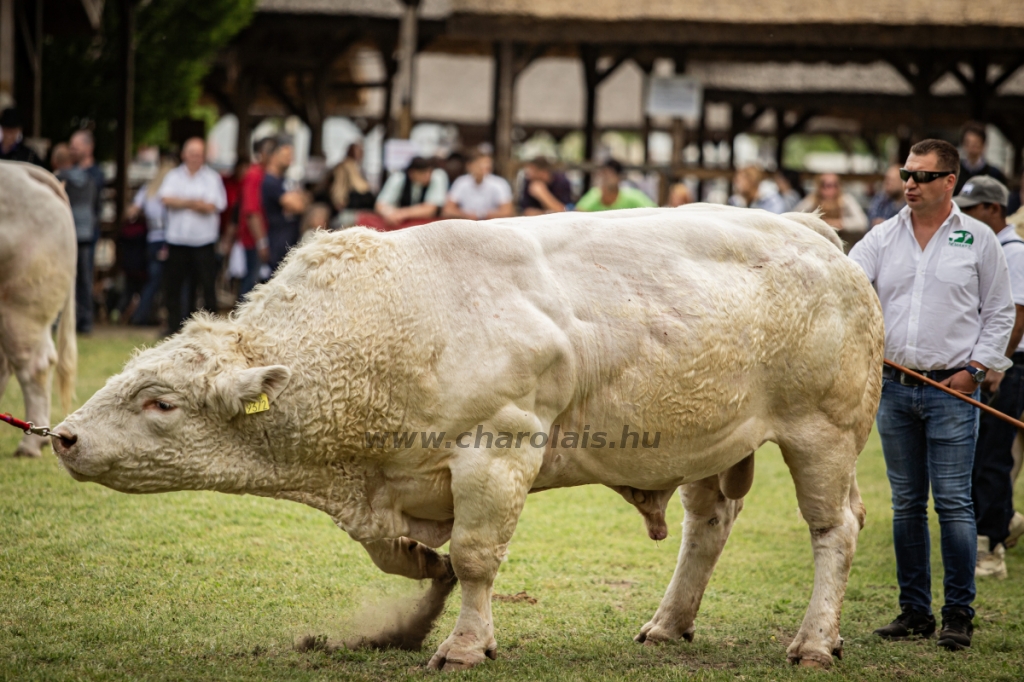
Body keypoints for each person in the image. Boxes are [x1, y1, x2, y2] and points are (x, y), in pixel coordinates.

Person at [849, 139, 1015, 651]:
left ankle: (959, 615)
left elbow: (1000, 312)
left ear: (949, 182)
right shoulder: (882, 238)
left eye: (921, 176)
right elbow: (847, 286)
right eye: (906, 173)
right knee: (905, 506)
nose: (909, 184)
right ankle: (914, 611)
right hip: (895, 390)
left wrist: (975, 369)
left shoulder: (979, 239)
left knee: (954, 505)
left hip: (953, 390)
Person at [952, 176, 1024, 579]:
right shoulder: (990, 246)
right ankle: (1006, 521)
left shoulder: (1014, 252)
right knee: (984, 455)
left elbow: (1016, 315)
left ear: (993, 209)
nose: (964, 214)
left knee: (993, 457)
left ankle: (991, 547)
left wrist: (997, 364)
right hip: (993, 362)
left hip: (1009, 366)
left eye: (973, 208)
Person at [158, 137, 227, 334]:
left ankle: (210, 328)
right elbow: (165, 198)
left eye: (199, 154)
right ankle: (174, 327)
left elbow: (212, 206)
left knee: (206, 286)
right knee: (174, 286)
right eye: (192, 153)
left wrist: (182, 201)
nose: (195, 158)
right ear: (184, 155)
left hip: (203, 241)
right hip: (178, 240)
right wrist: (195, 202)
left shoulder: (212, 178)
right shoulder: (173, 176)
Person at [54, 141, 98, 334]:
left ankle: (58, 321)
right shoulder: (89, 179)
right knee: (85, 280)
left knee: (61, 278)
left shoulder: (59, 179)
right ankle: (86, 321)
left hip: (66, 233)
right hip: (86, 232)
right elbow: (96, 206)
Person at [127, 156, 175, 326]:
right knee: (167, 281)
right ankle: (150, 315)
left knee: (153, 281)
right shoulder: (170, 192)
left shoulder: (147, 190)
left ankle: (144, 314)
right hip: (167, 238)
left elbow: (131, 212)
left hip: (151, 238)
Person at [363, 156, 448, 231]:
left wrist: (402, 213)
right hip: (401, 227)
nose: (427, 176)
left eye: (428, 172)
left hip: (428, 227)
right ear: (412, 173)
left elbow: (431, 209)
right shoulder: (399, 176)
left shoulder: (437, 176)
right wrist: (389, 213)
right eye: (422, 173)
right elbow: (380, 204)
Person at [237, 137, 276, 300]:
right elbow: (251, 211)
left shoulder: (264, 175)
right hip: (254, 239)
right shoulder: (254, 175)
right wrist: (262, 242)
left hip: (261, 237)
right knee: (252, 283)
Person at [262, 137, 308, 271]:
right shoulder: (270, 182)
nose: (290, 159)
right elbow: (298, 206)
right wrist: (297, 199)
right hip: (277, 241)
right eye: (286, 155)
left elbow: (304, 200)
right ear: (274, 156)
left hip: (290, 239)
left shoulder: (284, 180)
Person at [795, 173, 869, 248]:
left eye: (834, 185)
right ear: (819, 187)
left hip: (843, 246)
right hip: (816, 246)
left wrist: (839, 223)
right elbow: (795, 217)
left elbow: (862, 222)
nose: (830, 189)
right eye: (825, 185)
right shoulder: (812, 200)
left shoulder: (846, 200)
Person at [443, 150, 514, 220]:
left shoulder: (499, 183)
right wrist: (467, 216)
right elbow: (447, 210)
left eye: (486, 164)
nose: (483, 167)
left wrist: (483, 215)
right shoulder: (461, 182)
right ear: (469, 166)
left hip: (491, 225)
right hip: (466, 224)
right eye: (479, 164)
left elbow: (508, 212)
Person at [575, 159, 657, 212]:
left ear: (619, 177)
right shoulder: (594, 194)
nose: (605, 178)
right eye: (603, 174)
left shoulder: (632, 196)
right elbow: (578, 213)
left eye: (610, 175)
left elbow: (655, 211)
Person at [956, 121, 1008, 194]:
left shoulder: (994, 174)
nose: (971, 148)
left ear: (983, 145)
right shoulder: (956, 172)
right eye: (968, 143)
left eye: (975, 144)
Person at [328, 142, 375, 213]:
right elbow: (362, 188)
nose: (362, 154)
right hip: (350, 208)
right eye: (359, 151)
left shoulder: (356, 167)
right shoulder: (347, 166)